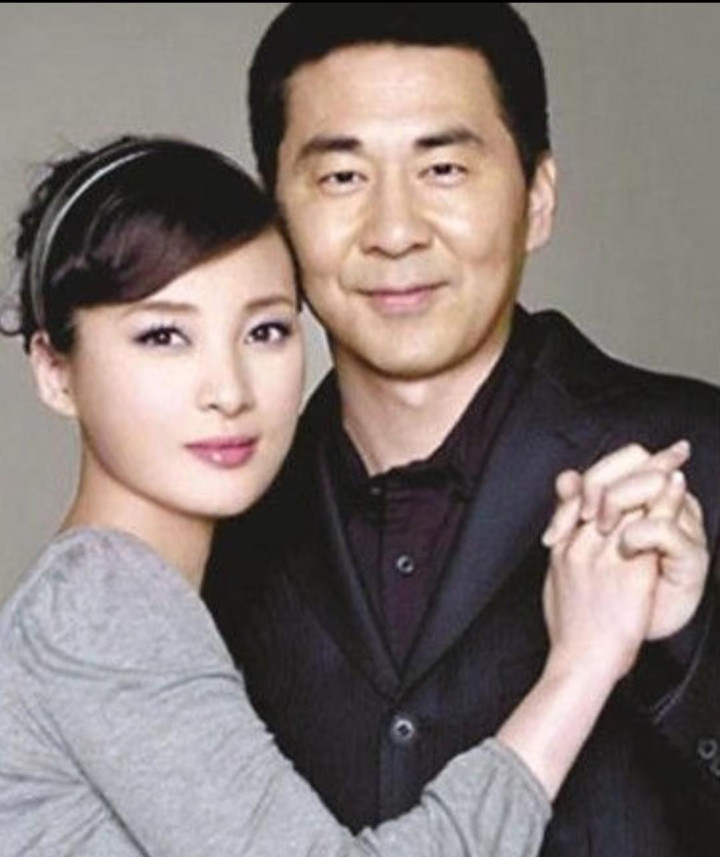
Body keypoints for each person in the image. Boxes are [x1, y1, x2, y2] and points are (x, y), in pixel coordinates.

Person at [0, 134, 706, 855]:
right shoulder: (101, 600)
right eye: (163, 337)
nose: (229, 390)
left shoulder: (176, 595)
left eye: (265, 330)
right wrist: (580, 669)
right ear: (55, 370)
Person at [203, 4, 720, 855]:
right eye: (342, 177)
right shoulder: (224, 523)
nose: (395, 232)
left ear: (537, 199)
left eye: (442, 168)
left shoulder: (700, 454)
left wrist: (687, 655)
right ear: (275, 219)